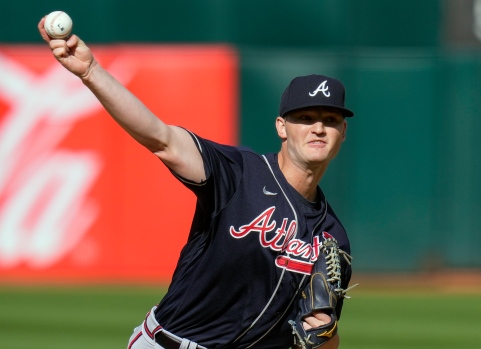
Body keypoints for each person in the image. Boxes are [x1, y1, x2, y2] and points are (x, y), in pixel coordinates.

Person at [38, 15, 354, 349]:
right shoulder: (238, 173)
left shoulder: (333, 238)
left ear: (342, 133)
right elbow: (161, 138)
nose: (318, 128)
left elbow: (323, 339)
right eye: (305, 118)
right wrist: (91, 72)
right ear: (281, 127)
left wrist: (326, 333)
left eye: (330, 120)